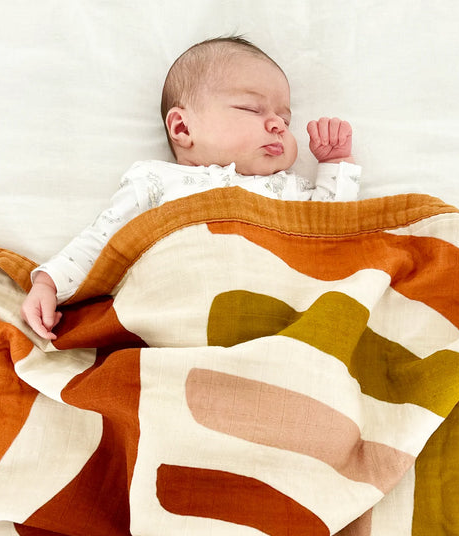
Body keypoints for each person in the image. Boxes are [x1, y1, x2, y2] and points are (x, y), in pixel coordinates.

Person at [22, 36, 361, 339]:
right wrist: (48, 283)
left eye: (285, 121)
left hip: (275, 326)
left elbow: (331, 234)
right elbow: (103, 240)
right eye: (251, 109)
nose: (277, 125)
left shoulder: (286, 189)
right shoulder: (155, 181)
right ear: (182, 126)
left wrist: (335, 164)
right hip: (174, 322)